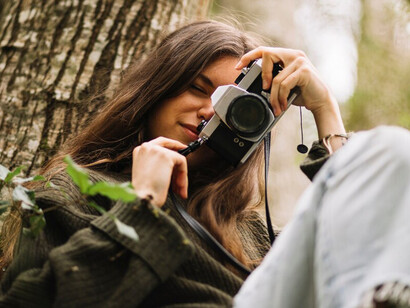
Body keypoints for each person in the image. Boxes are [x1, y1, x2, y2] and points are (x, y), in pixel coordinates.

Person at [0, 19, 408, 307]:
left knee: (394, 151)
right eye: (198, 89)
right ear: (156, 90)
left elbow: (354, 240)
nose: (210, 112)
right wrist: (140, 207)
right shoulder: (72, 192)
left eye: (233, 103)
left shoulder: (248, 229)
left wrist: (324, 109)